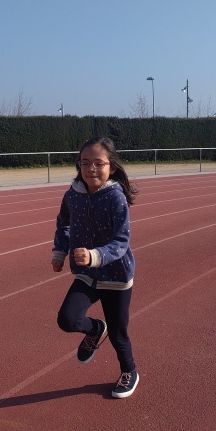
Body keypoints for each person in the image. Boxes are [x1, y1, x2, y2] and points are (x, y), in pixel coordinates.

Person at [52, 137, 139, 399]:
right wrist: (60, 251)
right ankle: (94, 329)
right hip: (87, 275)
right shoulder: (72, 195)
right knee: (67, 319)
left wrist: (94, 255)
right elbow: (64, 223)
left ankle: (129, 371)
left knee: (118, 332)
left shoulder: (115, 197)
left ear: (111, 166)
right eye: (85, 163)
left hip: (116, 276)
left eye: (98, 163)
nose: (91, 169)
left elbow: (121, 241)